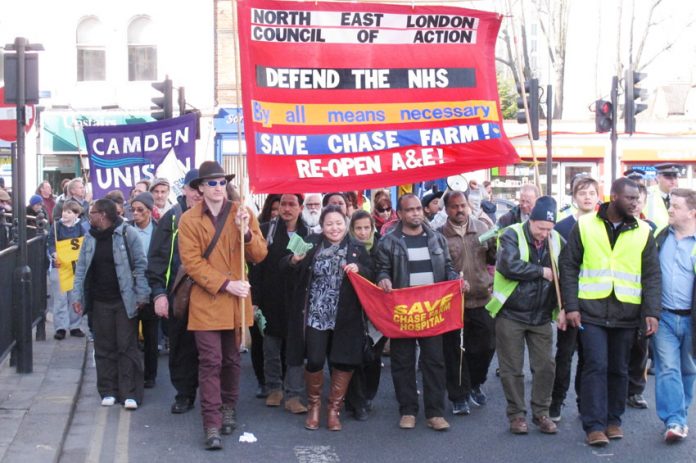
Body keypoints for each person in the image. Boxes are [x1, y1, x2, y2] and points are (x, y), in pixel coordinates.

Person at [560, 177, 661, 447]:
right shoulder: (585, 225)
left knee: (619, 368)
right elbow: (569, 267)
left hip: (627, 312)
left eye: (638, 198)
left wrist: (652, 312)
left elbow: (652, 274)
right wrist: (571, 306)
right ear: (614, 197)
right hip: (590, 310)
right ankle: (593, 425)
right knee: (596, 365)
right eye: (630, 198)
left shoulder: (643, 230)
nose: (635, 202)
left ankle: (613, 420)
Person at [177, 161, 267, 450]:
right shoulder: (189, 219)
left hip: (235, 304)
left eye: (221, 182)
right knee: (210, 362)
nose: (217, 187)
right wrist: (227, 284)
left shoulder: (242, 213)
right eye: (211, 183)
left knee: (231, 361)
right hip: (207, 301)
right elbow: (192, 263)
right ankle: (211, 423)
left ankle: (228, 407)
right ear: (200, 188)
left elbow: (260, 254)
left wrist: (247, 233)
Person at [374, 193, 459, 431]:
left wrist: (456, 280)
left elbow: (449, 268)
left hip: (432, 311)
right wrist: (383, 279)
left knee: (434, 362)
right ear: (399, 214)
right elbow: (381, 269)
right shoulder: (388, 242)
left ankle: (435, 413)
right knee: (403, 362)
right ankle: (408, 410)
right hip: (403, 312)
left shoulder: (437, 239)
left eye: (418, 209)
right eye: (410, 210)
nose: (416, 214)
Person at [284, 205, 372, 431]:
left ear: (346, 224)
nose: (335, 228)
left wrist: (359, 268)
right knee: (314, 359)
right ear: (322, 226)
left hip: (345, 315)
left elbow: (371, 273)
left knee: (343, 360)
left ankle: (334, 409)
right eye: (329, 224)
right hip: (315, 313)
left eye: (339, 223)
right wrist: (294, 261)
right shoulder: (311, 243)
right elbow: (285, 265)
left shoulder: (357, 248)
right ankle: (314, 407)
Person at [486, 196, 563, 435]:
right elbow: (508, 266)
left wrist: (563, 308)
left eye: (549, 229)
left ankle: (542, 412)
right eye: (540, 228)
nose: (544, 234)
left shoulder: (557, 240)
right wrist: (541, 271)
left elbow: (566, 273)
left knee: (545, 367)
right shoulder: (511, 234)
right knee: (512, 368)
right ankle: (517, 415)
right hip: (511, 312)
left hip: (541, 314)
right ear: (531, 220)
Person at [72, 199, 150, 410]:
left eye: (93, 213)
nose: (90, 217)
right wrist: (77, 297)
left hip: (125, 300)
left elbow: (141, 265)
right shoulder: (89, 237)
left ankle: (130, 393)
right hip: (99, 301)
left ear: (103, 215)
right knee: (104, 346)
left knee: (127, 346)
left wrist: (142, 295)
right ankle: (108, 390)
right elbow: (81, 269)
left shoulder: (127, 233)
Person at [147, 169, 203, 414]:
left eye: (203, 188)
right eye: (194, 188)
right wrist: (159, 294)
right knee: (181, 348)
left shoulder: (220, 217)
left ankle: (214, 399)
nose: (199, 193)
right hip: (180, 294)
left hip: (212, 295)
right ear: (185, 190)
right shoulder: (172, 218)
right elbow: (157, 258)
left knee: (213, 351)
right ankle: (185, 394)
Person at [250, 193, 310, 414]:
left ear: (300, 208)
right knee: (271, 347)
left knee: (295, 349)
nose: (286, 208)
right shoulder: (266, 231)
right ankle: (274, 387)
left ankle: (294, 394)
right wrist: (254, 300)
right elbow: (256, 268)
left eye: (292, 204)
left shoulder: (310, 234)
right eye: (283, 204)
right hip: (270, 298)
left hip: (298, 300)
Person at [439, 191, 496, 416]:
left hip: (482, 299)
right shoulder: (440, 236)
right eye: (454, 206)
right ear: (446, 210)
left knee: (486, 346)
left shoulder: (482, 229)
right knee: (455, 352)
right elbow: (440, 267)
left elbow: (494, 258)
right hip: (454, 303)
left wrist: (496, 244)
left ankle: (475, 383)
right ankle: (458, 396)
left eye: (462, 205)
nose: (459, 210)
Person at [550, 176, 600, 422]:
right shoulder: (561, 228)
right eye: (582, 193)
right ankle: (556, 401)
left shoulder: (604, 226)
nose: (587, 197)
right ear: (574, 198)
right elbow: (558, 270)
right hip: (569, 301)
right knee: (565, 354)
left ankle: (584, 402)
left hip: (595, 302)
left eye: (592, 192)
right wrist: (561, 306)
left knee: (589, 356)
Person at [653, 188, 696, 442]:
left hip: (692, 318)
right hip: (664, 316)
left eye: (676, 206)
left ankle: (681, 412)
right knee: (667, 367)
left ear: (692, 212)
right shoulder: (660, 237)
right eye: (670, 205)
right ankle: (675, 421)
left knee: (689, 368)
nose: (670, 209)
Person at [345, 210, 385, 420]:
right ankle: (356, 400)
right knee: (356, 356)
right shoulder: (346, 248)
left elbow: (382, 273)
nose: (362, 232)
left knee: (373, 356)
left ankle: (369, 394)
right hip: (353, 311)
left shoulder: (383, 246)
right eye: (358, 228)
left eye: (366, 228)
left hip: (377, 311)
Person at [47, 200, 89, 340]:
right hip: (59, 266)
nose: (65, 214)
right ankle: (60, 327)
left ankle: (75, 325)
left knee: (75, 296)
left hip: (74, 267)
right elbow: (51, 243)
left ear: (76, 215)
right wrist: (54, 255)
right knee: (60, 298)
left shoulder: (80, 228)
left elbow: (84, 245)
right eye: (64, 211)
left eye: (69, 212)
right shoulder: (56, 226)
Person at [130, 191, 159, 389]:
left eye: (140, 210)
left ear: (150, 211)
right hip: (130, 290)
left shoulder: (159, 231)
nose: (136, 213)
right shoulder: (125, 231)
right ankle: (133, 373)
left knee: (150, 335)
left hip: (151, 288)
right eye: (133, 210)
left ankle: (151, 375)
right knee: (130, 336)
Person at [644, 163, 683, 234]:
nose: (673, 181)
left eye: (675, 177)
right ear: (658, 178)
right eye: (668, 177)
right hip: (652, 240)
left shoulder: (681, 197)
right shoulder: (648, 195)